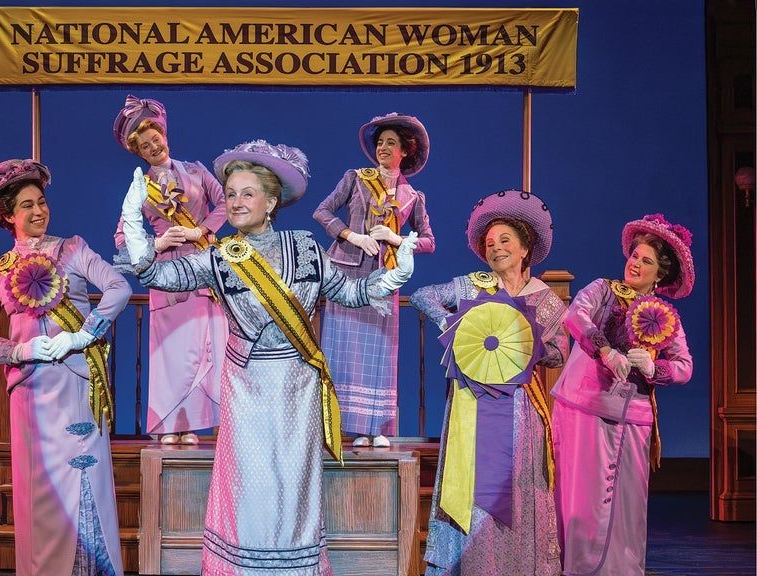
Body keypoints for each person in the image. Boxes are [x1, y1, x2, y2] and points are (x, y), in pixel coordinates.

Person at [119, 140, 418, 575]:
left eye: (247, 193)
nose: (236, 202)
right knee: (249, 486)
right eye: (231, 194)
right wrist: (134, 223)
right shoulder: (219, 257)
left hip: (298, 387)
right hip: (246, 388)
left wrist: (394, 275)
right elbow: (156, 274)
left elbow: (350, 292)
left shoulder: (306, 247)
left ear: (271, 202)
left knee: (295, 484)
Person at [0, 159, 130, 576]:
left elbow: (118, 287)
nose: (39, 211)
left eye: (41, 202)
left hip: (76, 380)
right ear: (7, 215)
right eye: (27, 205)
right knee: (41, 492)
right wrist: (19, 350)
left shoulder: (71, 249)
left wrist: (82, 335)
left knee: (82, 482)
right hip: (31, 391)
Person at [410, 190, 568, 575]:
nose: (495, 247)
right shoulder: (473, 285)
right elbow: (422, 296)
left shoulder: (544, 300)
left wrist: (532, 347)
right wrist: (455, 325)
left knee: (517, 490)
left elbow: (559, 352)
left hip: (521, 410)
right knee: (474, 489)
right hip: (473, 407)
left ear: (525, 248)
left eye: (504, 240)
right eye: (489, 242)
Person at [551, 214, 694, 576]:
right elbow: (575, 316)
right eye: (634, 256)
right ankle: (575, 568)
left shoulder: (665, 316)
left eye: (646, 261)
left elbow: (684, 366)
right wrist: (604, 351)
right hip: (585, 404)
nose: (635, 264)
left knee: (627, 502)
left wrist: (654, 368)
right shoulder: (603, 289)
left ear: (659, 275)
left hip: (634, 416)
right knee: (581, 498)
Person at [313, 112, 435, 447]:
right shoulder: (355, 178)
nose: (383, 148)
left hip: (384, 279)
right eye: (380, 142)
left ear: (404, 151)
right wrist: (351, 235)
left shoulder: (412, 196)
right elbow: (322, 211)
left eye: (391, 143)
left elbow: (429, 241)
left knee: (380, 353)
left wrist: (398, 240)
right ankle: (341, 426)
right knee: (343, 351)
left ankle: (376, 428)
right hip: (346, 275)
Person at [112, 95, 228, 445]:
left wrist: (201, 230)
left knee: (207, 348)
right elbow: (121, 238)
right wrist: (156, 244)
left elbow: (226, 203)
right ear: (139, 153)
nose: (153, 147)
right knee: (172, 353)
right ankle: (169, 426)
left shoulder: (197, 170)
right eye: (144, 146)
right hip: (166, 275)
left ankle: (198, 424)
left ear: (164, 135)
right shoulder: (139, 188)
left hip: (204, 268)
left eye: (155, 139)